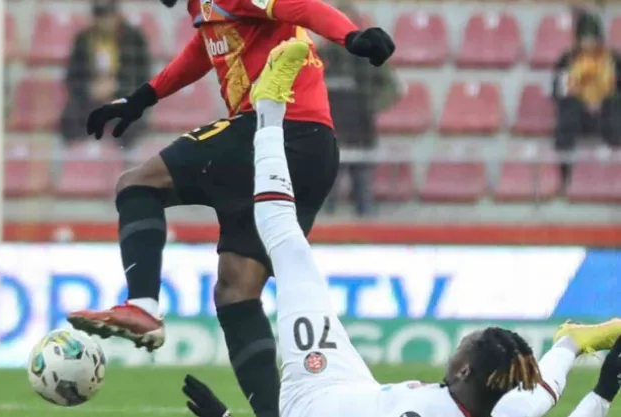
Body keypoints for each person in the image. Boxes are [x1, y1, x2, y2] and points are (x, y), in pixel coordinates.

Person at [179, 40, 621, 417]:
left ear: (465, 369)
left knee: (288, 246)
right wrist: (585, 368)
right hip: (352, 381)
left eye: (464, 346)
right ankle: (269, 108)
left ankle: (269, 110)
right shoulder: (506, 406)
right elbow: (542, 394)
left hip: (311, 399)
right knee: (289, 247)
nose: (458, 349)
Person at [67, 0, 394, 416]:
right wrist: (142, 97)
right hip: (311, 150)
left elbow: (301, 6)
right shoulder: (208, 8)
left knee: (138, 184)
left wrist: (351, 36)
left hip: (280, 130)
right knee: (235, 290)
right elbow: (206, 49)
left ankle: (143, 305)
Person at [317, 1, 400, 216]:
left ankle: (366, 224)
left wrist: (370, 106)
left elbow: (391, 87)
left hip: (361, 130)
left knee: (363, 188)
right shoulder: (320, 54)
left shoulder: (369, 54)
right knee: (325, 190)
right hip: (329, 130)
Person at [59, 0, 150, 143]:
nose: (104, 21)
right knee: (70, 120)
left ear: (116, 15)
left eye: (108, 15)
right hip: (89, 102)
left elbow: (142, 77)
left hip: (123, 99)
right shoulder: (83, 39)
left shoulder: (134, 39)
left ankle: (124, 155)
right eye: (99, 15)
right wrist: (90, 89)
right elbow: (72, 77)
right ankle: (83, 153)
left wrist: (116, 87)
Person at [553, 11, 621, 181]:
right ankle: (565, 172)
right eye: (585, 38)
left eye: (592, 38)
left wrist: (603, 99)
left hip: (607, 111)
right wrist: (582, 101)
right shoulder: (567, 60)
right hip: (579, 112)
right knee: (567, 109)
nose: (588, 43)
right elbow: (559, 91)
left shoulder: (613, 59)